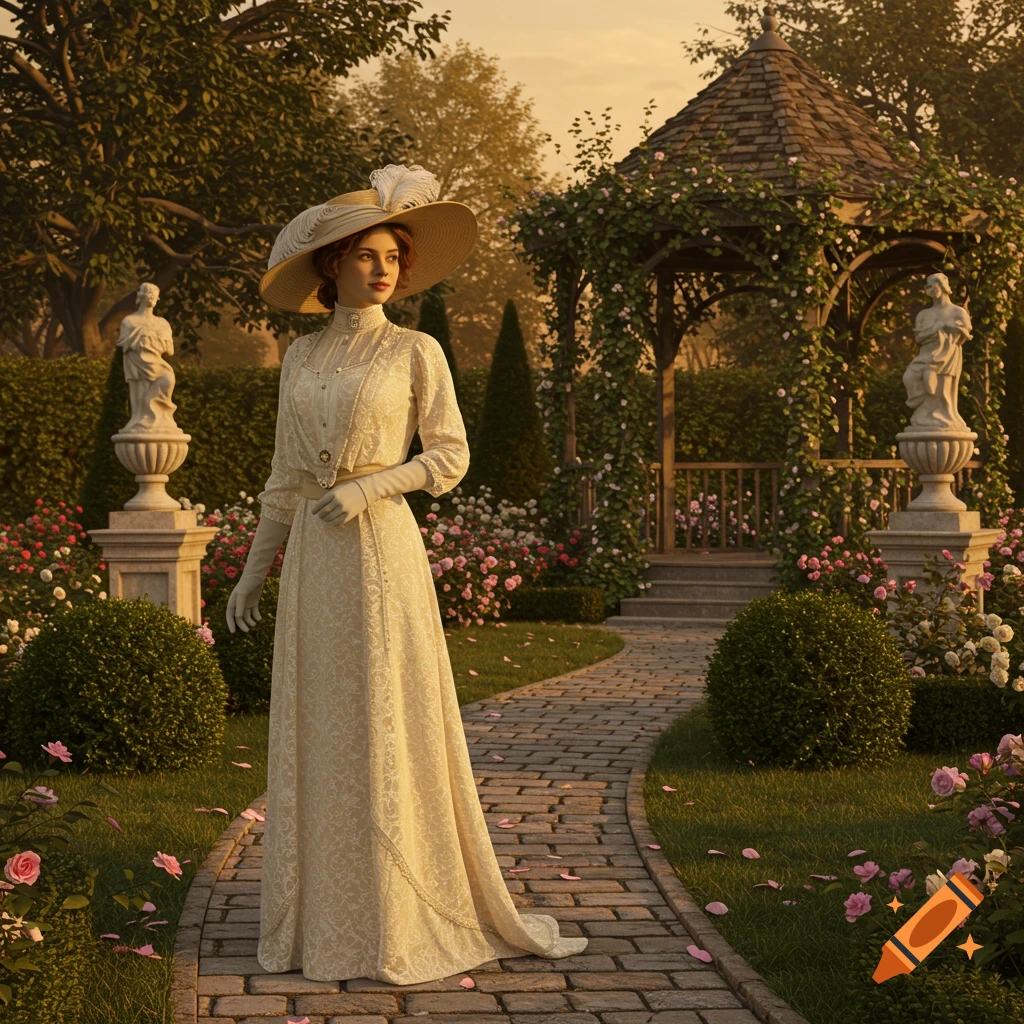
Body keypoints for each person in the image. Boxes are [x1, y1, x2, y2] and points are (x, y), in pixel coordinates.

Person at [225, 164, 588, 984]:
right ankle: (327, 920)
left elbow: (450, 456)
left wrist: (370, 487)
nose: (383, 268)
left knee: (384, 718)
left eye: (393, 256)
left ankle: (400, 911)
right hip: (315, 562)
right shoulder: (298, 358)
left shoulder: (415, 352)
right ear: (332, 265)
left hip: (381, 552)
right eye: (366, 255)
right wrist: (252, 572)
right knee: (324, 726)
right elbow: (285, 477)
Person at [903, 272, 972, 431]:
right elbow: (919, 338)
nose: (930, 290)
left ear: (942, 286)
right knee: (909, 376)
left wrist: (950, 329)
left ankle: (942, 418)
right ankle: (923, 413)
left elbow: (965, 335)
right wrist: (936, 328)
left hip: (948, 354)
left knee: (940, 388)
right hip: (926, 354)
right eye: (927, 287)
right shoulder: (923, 314)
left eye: (932, 285)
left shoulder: (958, 312)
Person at [116, 282, 179, 433]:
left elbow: (170, 350)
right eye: (149, 293)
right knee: (139, 393)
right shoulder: (129, 321)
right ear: (140, 296)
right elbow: (123, 345)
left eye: (155, 295)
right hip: (138, 363)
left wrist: (154, 338)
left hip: (157, 363)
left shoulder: (162, 323)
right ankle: (140, 422)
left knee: (168, 379)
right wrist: (140, 335)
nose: (151, 297)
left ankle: (160, 420)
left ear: (158, 298)